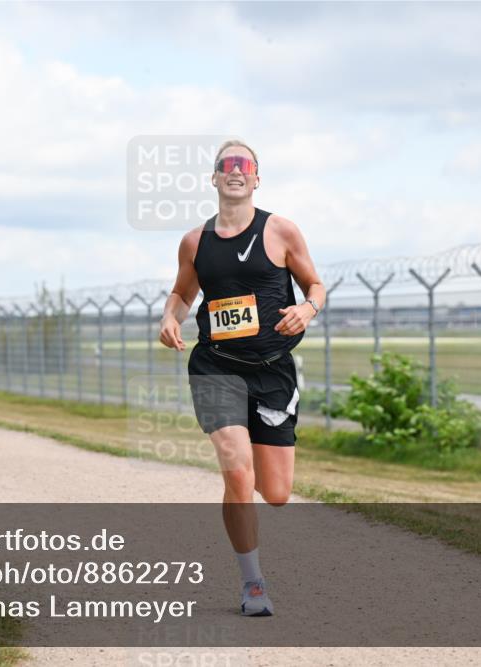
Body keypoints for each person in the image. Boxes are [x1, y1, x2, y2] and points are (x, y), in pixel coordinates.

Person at [159, 140, 325, 617]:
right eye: (225, 165)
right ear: (214, 178)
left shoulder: (281, 229)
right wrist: (170, 317)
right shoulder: (195, 242)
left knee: (275, 494)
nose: (235, 171)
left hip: (272, 371)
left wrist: (307, 309)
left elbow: (316, 283)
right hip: (215, 366)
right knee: (236, 468)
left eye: (244, 165)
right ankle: (253, 584)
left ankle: (248, 493)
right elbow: (181, 292)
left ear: (256, 179)